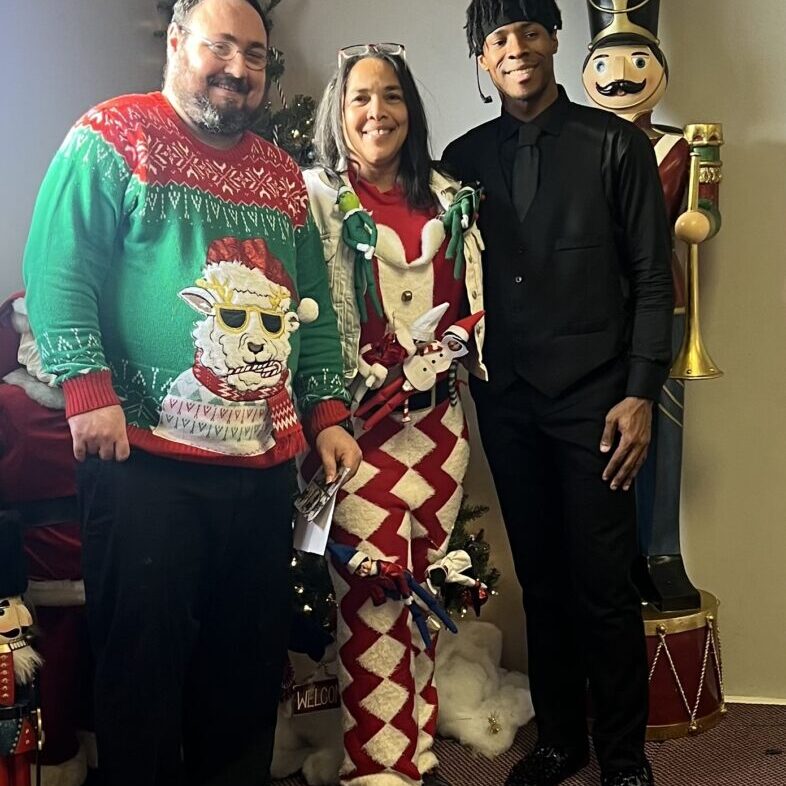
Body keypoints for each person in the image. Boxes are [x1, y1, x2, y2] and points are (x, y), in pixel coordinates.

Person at [22, 1, 361, 784]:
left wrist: (329, 411)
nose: (239, 70)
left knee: (243, 673)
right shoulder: (111, 136)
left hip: (261, 466)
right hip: (145, 463)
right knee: (141, 672)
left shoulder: (281, 176)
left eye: (255, 56)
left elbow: (311, 301)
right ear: (178, 43)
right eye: (222, 47)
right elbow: (58, 266)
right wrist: (87, 387)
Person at [442, 1, 673, 785]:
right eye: (499, 39)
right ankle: (557, 740)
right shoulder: (461, 159)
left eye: (530, 32)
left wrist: (641, 392)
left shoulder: (616, 145)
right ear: (481, 57)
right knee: (539, 577)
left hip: (599, 402)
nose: (517, 49)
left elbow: (652, 281)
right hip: (507, 400)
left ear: (555, 39)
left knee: (602, 584)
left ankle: (622, 755)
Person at [303, 43, 487, 786]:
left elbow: (478, 306)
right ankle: (377, 769)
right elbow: (305, 323)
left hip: (440, 431)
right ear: (338, 114)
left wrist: (459, 337)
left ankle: (414, 748)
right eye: (360, 99)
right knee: (374, 599)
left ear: (410, 108)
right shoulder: (317, 200)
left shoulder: (449, 197)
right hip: (361, 434)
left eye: (391, 97)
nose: (377, 112)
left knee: (423, 591)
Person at [581, 0, 723, 611]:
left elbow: (706, 214)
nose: (620, 74)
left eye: (637, 59)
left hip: (662, 306)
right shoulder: (578, 142)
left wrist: (699, 218)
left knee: (662, 434)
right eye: (606, 60)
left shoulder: (683, 147)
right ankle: (615, 553)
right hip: (591, 312)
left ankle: (661, 550)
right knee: (596, 434)